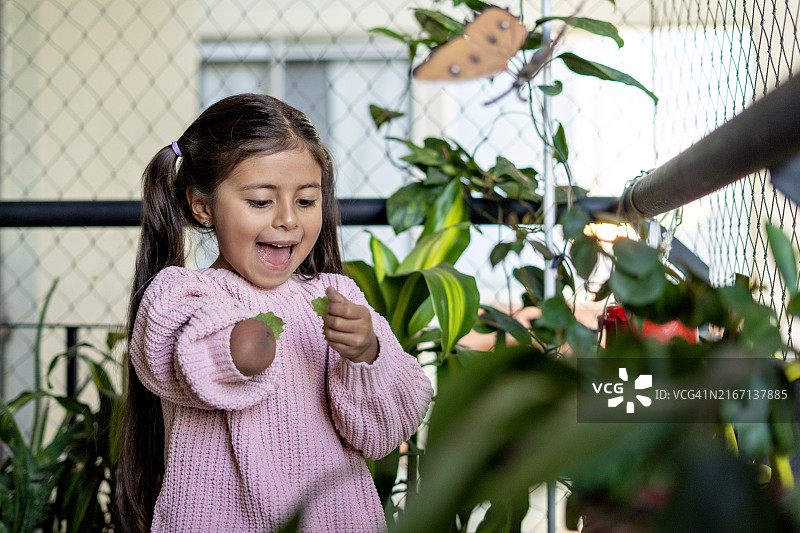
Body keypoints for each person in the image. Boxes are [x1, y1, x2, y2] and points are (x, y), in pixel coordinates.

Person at [116, 93, 434, 533]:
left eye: (306, 201)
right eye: (262, 201)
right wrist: (238, 347)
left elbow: (383, 433)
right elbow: (175, 353)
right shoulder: (182, 295)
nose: (288, 219)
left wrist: (367, 354)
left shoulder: (337, 296)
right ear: (203, 206)